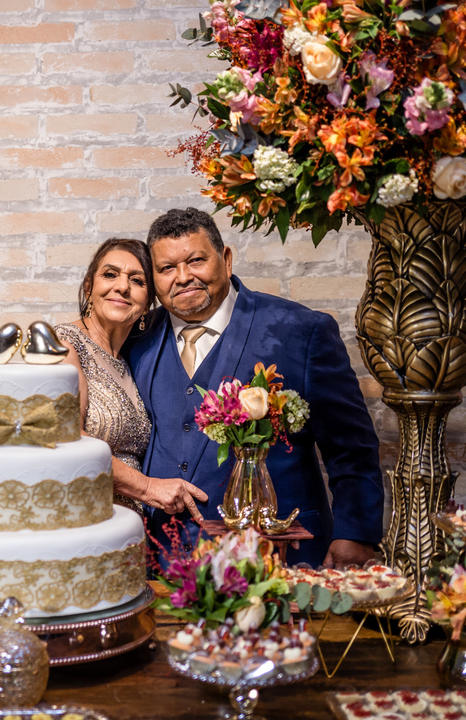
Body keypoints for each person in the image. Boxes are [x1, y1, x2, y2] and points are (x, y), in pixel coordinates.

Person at [126, 208, 384, 567]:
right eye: (167, 268)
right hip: (162, 564)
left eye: (197, 260)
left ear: (226, 259)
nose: (183, 277)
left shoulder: (301, 332)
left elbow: (351, 448)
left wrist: (355, 534)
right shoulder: (136, 337)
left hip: (279, 558)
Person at [55, 238, 209, 521]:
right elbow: (64, 440)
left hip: (129, 530)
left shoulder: (131, 360)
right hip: (78, 520)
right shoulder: (64, 346)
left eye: (137, 281)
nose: (122, 287)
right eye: (110, 274)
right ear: (89, 287)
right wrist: (149, 487)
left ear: (148, 302)